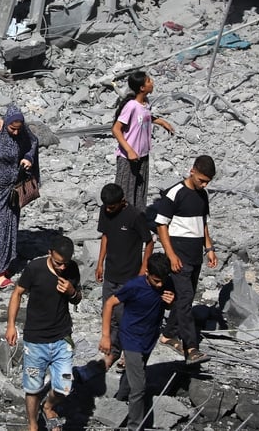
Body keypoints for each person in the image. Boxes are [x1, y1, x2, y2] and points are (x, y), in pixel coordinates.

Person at [5, 235, 82, 431]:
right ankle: (32, 424)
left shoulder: (71, 268)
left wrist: (72, 291)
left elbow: (77, 298)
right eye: (58, 263)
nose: (62, 268)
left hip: (62, 337)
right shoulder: (35, 268)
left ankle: (48, 406)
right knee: (32, 389)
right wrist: (11, 325)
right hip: (35, 340)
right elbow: (17, 293)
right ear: (50, 254)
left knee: (65, 386)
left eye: (65, 263)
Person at [99, 253, 174, 431]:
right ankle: (135, 426)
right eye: (156, 280)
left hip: (149, 337)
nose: (160, 284)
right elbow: (110, 303)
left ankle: (119, 399)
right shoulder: (134, 286)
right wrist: (106, 336)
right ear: (147, 272)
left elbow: (169, 304)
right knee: (139, 387)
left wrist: (170, 302)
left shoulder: (166, 283)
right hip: (131, 337)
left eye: (163, 280)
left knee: (136, 371)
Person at [155, 155, 217, 365]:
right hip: (179, 255)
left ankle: (168, 334)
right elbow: (161, 225)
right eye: (202, 180)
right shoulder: (174, 194)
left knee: (185, 299)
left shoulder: (203, 195)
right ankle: (191, 347)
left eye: (207, 181)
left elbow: (203, 222)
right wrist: (171, 255)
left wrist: (209, 247)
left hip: (195, 256)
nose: (204, 184)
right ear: (192, 171)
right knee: (185, 297)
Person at [95, 183, 154, 370]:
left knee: (125, 316)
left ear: (122, 202)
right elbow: (105, 236)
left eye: (112, 206)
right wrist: (99, 263)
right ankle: (112, 350)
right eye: (106, 206)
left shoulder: (135, 216)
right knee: (109, 312)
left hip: (129, 276)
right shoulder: (105, 211)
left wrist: (144, 267)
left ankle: (128, 354)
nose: (108, 209)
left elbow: (149, 241)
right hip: (111, 273)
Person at [0, 104, 38, 288]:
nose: (15, 133)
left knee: (8, 227)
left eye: (18, 129)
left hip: (11, 190)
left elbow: (33, 141)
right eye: (12, 129)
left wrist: (28, 157)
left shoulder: (21, 133)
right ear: (6, 123)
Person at [111, 71, 174, 212]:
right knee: (125, 191)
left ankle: (137, 221)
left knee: (140, 191)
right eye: (148, 81)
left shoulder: (146, 103)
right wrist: (129, 150)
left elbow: (144, 117)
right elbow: (116, 129)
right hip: (128, 157)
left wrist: (161, 122)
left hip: (142, 155)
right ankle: (122, 223)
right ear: (142, 88)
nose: (152, 82)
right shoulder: (131, 105)